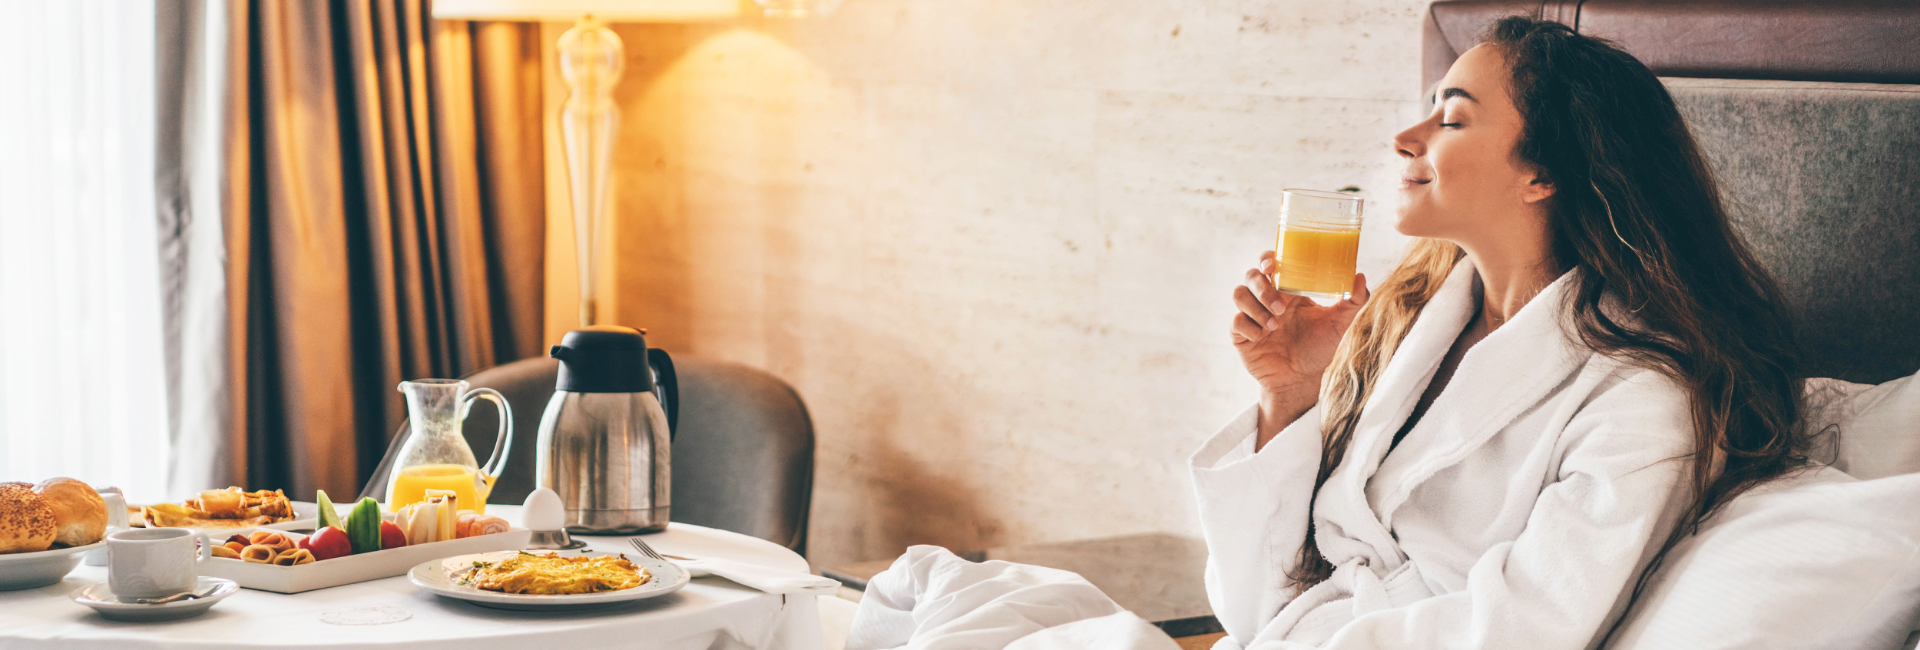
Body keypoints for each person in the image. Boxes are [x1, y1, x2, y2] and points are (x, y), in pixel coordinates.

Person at [1195, 16, 1812, 649]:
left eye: (1451, 120)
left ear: (1541, 173)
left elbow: (1526, 628)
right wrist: (1290, 395)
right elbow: (1254, 605)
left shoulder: (1643, 398)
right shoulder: (1409, 322)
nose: (1405, 139)